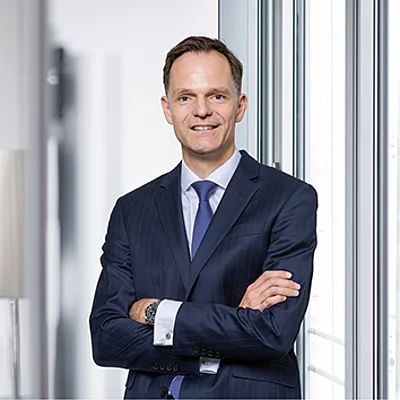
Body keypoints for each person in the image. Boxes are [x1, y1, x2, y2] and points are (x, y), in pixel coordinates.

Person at [89, 36, 317, 399]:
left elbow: (273, 331)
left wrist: (157, 312)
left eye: (217, 96)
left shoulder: (289, 198)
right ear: (167, 109)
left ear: (240, 106)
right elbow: (106, 338)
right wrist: (232, 325)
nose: (201, 111)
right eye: (185, 97)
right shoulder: (132, 210)